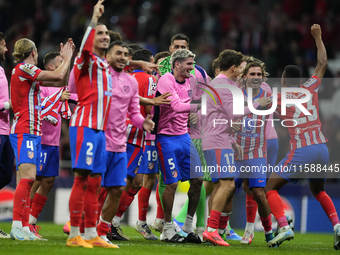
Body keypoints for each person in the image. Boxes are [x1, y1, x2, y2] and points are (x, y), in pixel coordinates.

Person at [265, 24, 340, 250]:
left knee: (270, 187)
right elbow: (323, 63)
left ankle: (283, 225)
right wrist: (318, 37)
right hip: (322, 149)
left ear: (285, 80)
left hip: (303, 149)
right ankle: (337, 226)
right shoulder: (311, 87)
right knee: (319, 190)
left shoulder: (279, 97)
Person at [201, 49, 271, 246]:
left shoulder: (218, 83)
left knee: (220, 185)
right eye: (241, 66)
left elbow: (217, 115)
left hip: (218, 140)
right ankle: (212, 229)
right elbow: (234, 113)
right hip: (217, 141)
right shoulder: (223, 86)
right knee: (228, 184)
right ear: (233, 67)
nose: (243, 69)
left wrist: (233, 141)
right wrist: (259, 103)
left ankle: (212, 229)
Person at [9, 34, 73, 241]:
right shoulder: (23, 68)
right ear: (33, 52)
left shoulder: (28, 73)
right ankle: (17, 225)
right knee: (27, 179)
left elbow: (61, 79)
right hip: (24, 129)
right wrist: (67, 58)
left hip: (33, 131)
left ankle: (25, 226)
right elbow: (56, 77)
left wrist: (66, 62)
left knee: (29, 180)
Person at [66, 0, 118, 249]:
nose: (105, 36)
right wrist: (94, 20)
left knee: (96, 182)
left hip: (100, 132)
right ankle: (74, 234)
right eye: (101, 33)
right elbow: (85, 49)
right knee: (82, 179)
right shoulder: (84, 61)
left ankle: (90, 233)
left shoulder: (104, 65)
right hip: (84, 127)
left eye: (108, 33)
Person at [96, 41, 154, 244]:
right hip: (100, 138)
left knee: (117, 188)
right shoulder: (101, 76)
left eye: (125, 54)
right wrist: (138, 62)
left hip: (121, 142)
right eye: (118, 53)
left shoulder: (131, 82)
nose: (122, 57)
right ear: (108, 56)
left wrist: (143, 123)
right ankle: (86, 224)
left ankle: (102, 231)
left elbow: (134, 113)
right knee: (97, 184)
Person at [157, 33, 209, 240]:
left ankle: (188, 225)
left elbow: (193, 103)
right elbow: (177, 106)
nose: (192, 67)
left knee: (197, 179)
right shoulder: (166, 80)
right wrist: (199, 106)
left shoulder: (190, 80)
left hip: (184, 137)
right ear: (177, 64)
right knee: (171, 184)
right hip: (166, 138)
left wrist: (197, 112)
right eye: (189, 64)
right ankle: (167, 227)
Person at [109, 49, 158, 241]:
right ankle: (104, 222)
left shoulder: (125, 76)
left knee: (134, 181)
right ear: (148, 62)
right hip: (136, 132)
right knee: (122, 181)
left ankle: (111, 222)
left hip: (119, 129)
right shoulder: (149, 79)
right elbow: (147, 108)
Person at [28, 52, 73, 239]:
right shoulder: (40, 86)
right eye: (61, 63)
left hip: (53, 144)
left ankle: (31, 221)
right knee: (35, 180)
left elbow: (66, 84)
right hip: (40, 140)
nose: (64, 66)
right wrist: (60, 98)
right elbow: (42, 109)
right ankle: (23, 221)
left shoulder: (61, 90)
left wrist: (67, 58)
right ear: (52, 68)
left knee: (48, 181)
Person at [232, 60, 276, 246]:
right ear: (244, 76)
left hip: (258, 151)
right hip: (236, 150)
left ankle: (268, 233)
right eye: (252, 74)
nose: (256, 77)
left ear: (263, 77)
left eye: (259, 74)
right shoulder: (236, 94)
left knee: (258, 192)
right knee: (226, 189)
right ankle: (215, 229)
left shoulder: (269, 95)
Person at [0, 31, 14, 239]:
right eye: (3, 45)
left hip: (5, 130)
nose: (6, 48)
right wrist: (6, 105)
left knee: (6, 174)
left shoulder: (1, 69)